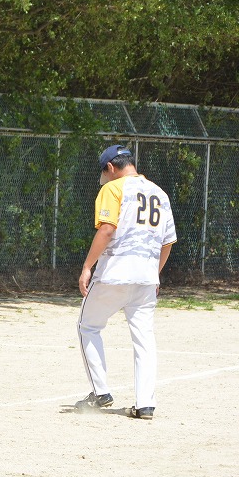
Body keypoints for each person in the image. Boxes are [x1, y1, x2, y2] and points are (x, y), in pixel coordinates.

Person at [76, 145, 176, 420]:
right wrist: (155, 273)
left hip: (115, 273)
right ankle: (145, 404)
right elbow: (167, 242)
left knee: (88, 325)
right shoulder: (159, 193)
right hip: (146, 278)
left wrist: (87, 266)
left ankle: (100, 392)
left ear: (110, 167)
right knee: (144, 338)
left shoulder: (113, 188)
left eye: (103, 171)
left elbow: (107, 229)